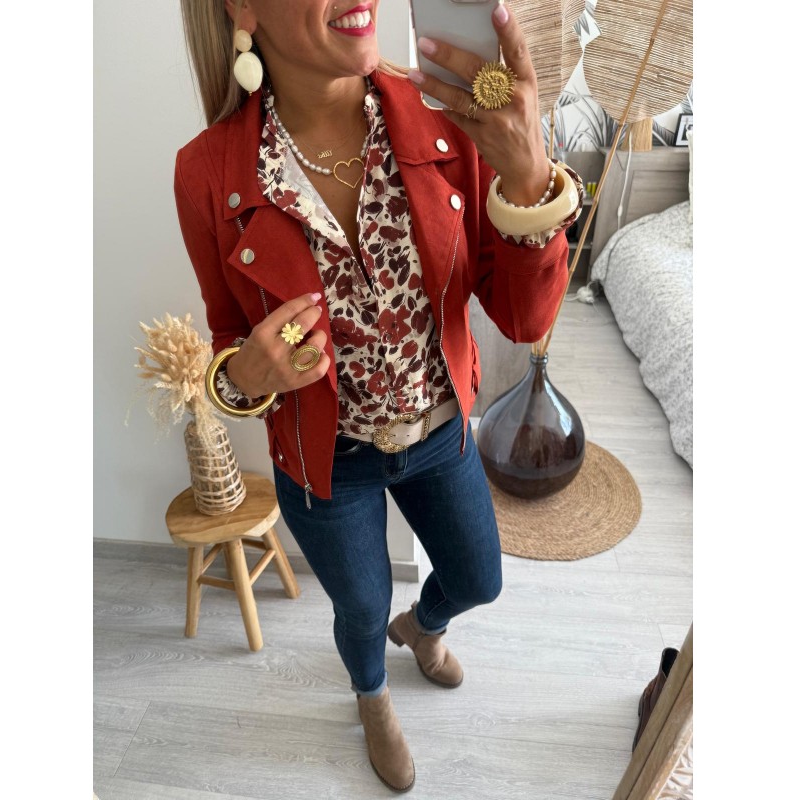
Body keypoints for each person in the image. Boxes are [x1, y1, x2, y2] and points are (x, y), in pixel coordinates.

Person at [175, 0, 582, 792]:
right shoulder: (209, 173)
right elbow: (228, 337)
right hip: (326, 464)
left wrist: (531, 179)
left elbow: (525, 317)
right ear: (242, 8)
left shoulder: (445, 119)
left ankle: (423, 628)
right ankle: (371, 698)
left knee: (479, 579)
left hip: (440, 433)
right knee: (359, 609)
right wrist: (245, 378)